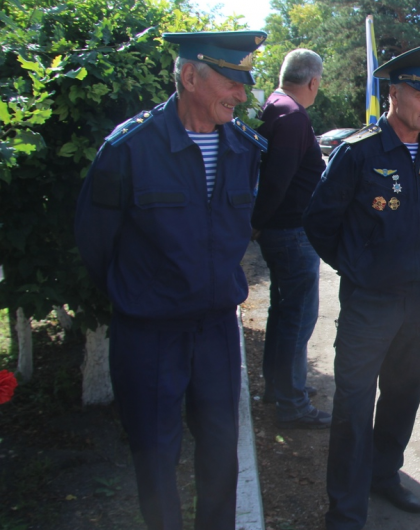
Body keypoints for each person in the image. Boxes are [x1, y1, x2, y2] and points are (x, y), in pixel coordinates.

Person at [75, 31, 268, 529]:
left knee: (223, 450)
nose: (242, 95)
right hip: (149, 331)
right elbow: (96, 242)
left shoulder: (245, 150)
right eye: (231, 82)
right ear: (189, 77)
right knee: (155, 456)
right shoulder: (129, 148)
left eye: (244, 84)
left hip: (216, 330)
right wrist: (140, 295)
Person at [302, 43, 420, 529]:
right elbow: (319, 222)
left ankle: (383, 473)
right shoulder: (358, 152)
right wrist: (357, 268)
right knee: (353, 403)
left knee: (404, 392)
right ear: (394, 93)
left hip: (417, 300)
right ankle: (346, 510)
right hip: (369, 301)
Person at [252, 49, 331, 429]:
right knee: (298, 317)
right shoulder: (293, 116)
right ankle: (292, 403)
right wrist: (258, 222)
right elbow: (276, 183)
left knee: (283, 314)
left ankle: (281, 386)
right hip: (290, 232)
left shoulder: (274, 105)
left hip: (282, 231)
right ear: (313, 82)